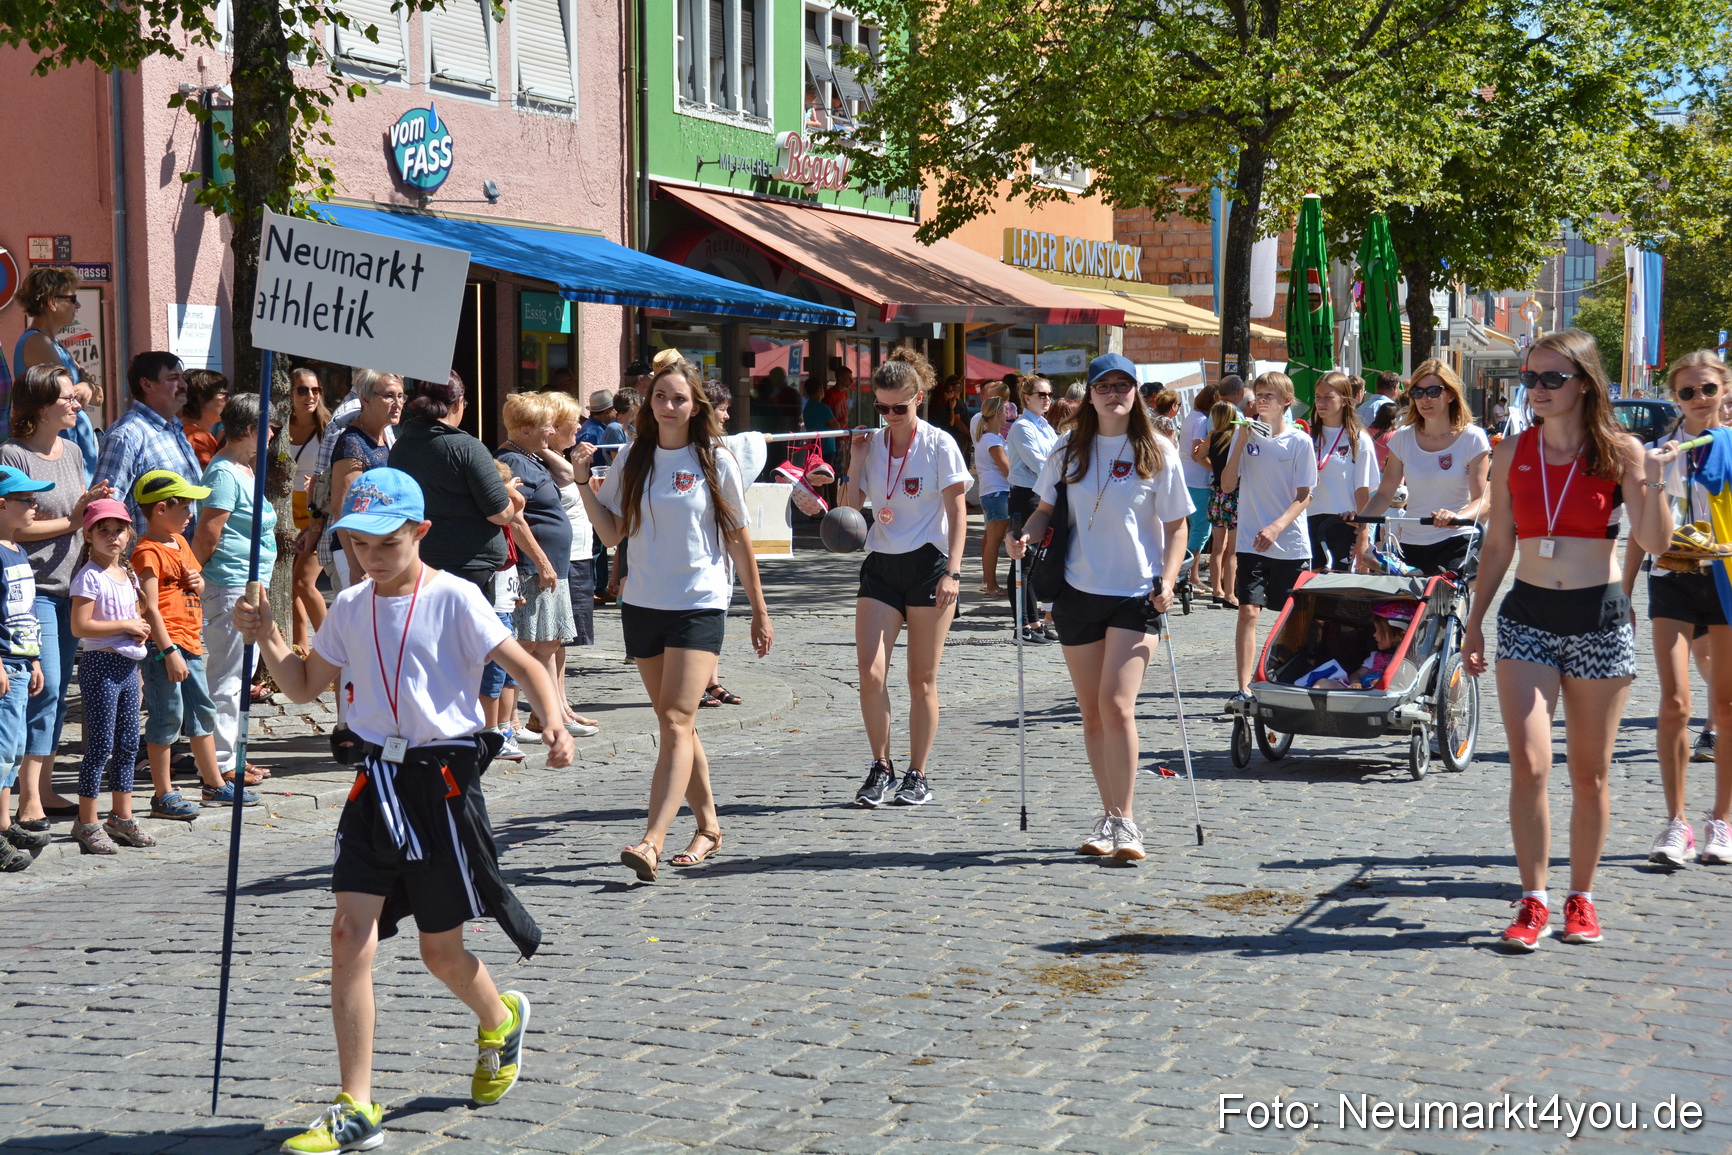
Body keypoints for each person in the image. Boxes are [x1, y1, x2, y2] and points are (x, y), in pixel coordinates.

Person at [235, 468, 574, 1152]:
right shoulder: (349, 606)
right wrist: (268, 633)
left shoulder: (455, 597)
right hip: (374, 784)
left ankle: (500, 1018)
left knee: (440, 952)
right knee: (347, 934)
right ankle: (356, 1105)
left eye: (386, 542)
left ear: (419, 532)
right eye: (358, 543)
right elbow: (301, 686)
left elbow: (526, 665)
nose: (371, 556)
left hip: (439, 786)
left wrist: (555, 722)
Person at [1463, 329, 1675, 952]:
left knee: (1590, 773)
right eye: (1530, 378)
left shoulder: (1620, 450)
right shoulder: (1511, 451)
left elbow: (1657, 543)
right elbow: (1498, 544)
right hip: (1527, 614)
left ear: (1584, 382)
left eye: (1552, 378)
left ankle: (1581, 896)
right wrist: (1475, 621)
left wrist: (1654, 481)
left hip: (1598, 618)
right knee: (1529, 764)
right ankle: (1533, 898)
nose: (1537, 389)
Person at [575, 357, 772, 880]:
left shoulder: (715, 459)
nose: (667, 406)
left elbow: (738, 538)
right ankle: (709, 827)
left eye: (678, 398)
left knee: (677, 720)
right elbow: (612, 533)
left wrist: (758, 608)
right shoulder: (633, 457)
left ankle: (651, 840)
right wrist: (582, 484)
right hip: (643, 603)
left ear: (695, 406)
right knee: (677, 724)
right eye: (660, 397)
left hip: (699, 602)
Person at [1007, 353, 1192, 859]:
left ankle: (1127, 822)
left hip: (1137, 594)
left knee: (1116, 704)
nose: (1113, 394)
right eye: (1103, 386)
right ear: (1089, 394)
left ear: (1136, 393)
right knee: (1091, 713)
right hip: (1077, 592)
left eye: (1122, 385)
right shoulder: (1067, 448)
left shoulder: (1157, 448)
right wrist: (1024, 537)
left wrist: (1170, 579)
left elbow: (1178, 526)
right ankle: (1109, 817)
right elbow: (1045, 510)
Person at [841, 347, 971, 809]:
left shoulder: (939, 444)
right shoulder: (873, 443)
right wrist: (856, 460)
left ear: (918, 398)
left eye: (898, 408)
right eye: (881, 407)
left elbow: (959, 513)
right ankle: (881, 766)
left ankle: (918, 773)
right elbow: (850, 511)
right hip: (881, 564)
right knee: (870, 673)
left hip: (929, 565)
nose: (889, 416)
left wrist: (954, 572)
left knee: (921, 678)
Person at [1620, 351, 1732, 868]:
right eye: (1687, 392)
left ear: (1724, 390)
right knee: (1674, 704)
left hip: (1725, 579)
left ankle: (1721, 820)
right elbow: (1640, 531)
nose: (1699, 399)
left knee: (1726, 708)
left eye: (1707, 388)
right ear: (1674, 398)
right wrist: (1623, 592)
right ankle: (1676, 822)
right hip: (1672, 578)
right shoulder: (1657, 454)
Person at [0, 366, 112, 834]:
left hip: (71, 586)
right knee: (40, 691)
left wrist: (93, 505)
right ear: (42, 406)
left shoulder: (73, 450)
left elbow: (76, 510)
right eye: (67, 398)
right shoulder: (13, 455)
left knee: (59, 691)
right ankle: (27, 800)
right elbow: (17, 527)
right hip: (34, 592)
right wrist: (72, 521)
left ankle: (42, 789)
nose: (77, 403)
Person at [132, 470, 242, 818]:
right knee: (167, 717)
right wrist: (168, 652)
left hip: (190, 642)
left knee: (202, 711)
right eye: (185, 507)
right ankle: (163, 794)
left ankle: (213, 783)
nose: (191, 514)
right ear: (161, 509)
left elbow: (198, 586)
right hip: (166, 647)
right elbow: (149, 607)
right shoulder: (147, 552)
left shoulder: (179, 542)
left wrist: (198, 582)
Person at [192, 393, 278, 790]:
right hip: (229, 587)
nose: (273, 433)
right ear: (250, 429)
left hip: (247, 586)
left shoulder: (243, 468)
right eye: (268, 427)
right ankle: (221, 765)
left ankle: (232, 756)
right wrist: (190, 578)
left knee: (240, 678)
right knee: (227, 680)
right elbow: (208, 534)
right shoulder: (224, 473)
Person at [496, 393, 594, 741]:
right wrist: (541, 561)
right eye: (546, 426)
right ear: (525, 430)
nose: (552, 431)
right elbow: (515, 520)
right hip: (531, 568)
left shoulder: (530, 457)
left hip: (548, 567)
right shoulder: (513, 461)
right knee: (524, 643)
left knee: (548, 642)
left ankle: (549, 715)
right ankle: (511, 721)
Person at [1221, 372, 1316, 701]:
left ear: (1286, 401)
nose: (1261, 400)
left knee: (1293, 620)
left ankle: (1289, 680)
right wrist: (1240, 443)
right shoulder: (1245, 435)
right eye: (1258, 394)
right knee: (1248, 611)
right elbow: (1227, 485)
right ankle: (1243, 687)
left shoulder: (1299, 441)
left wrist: (1276, 526)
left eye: (1269, 395)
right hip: (1251, 541)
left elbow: (1305, 495)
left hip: (1290, 545)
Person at [68, 499, 153, 855]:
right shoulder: (89, 576)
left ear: (129, 533)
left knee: (129, 744)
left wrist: (139, 631)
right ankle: (86, 821)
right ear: (88, 535)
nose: (112, 536)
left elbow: (133, 616)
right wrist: (126, 625)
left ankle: (121, 816)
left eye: (119, 530)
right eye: (103, 530)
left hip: (127, 667)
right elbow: (80, 626)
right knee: (101, 746)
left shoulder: (128, 574)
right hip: (100, 665)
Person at [1353, 360, 1490, 576]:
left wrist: (1456, 518)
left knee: (1444, 596)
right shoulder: (1403, 437)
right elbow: (1384, 494)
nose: (1425, 399)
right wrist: (1361, 519)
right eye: (1417, 392)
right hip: (1411, 542)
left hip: (1456, 540)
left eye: (1433, 391)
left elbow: (1483, 501)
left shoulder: (1472, 437)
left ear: (1450, 395)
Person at [388, 372, 515, 597]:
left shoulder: (401, 446)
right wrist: (513, 498)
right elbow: (500, 513)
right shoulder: (467, 447)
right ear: (458, 403)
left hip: (421, 561)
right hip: (468, 566)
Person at [0, 465, 50, 870]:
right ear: (2, 505)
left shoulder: (17, 550)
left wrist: (33, 659)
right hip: (3, 665)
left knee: (13, 751)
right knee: (1, 751)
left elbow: (25, 613)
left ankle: (3, 822)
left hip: (20, 663)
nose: (35, 506)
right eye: (26, 500)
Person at [94, 352, 202, 531]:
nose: (183, 385)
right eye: (173, 378)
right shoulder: (127, 436)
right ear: (146, 385)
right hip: (147, 549)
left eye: (182, 378)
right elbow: (105, 508)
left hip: (183, 548)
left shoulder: (175, 428)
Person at [329, 373, 404, 590]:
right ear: (365, 399)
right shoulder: (352, 443)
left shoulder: (384, 438)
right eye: (389, 396)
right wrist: (355, 565)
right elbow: (341, 508)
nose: (397, 403)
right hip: (358, 554)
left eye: (401, 396)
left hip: (380, 549)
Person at [1007, 375, 1060, 643]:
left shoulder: (1045, 426)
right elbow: (1041, 464)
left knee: (1034, 563)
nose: (1047, 399)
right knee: (1022, 562)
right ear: (1027, 398)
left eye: (1050, 394)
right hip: (1026, 495)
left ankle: (1035, 622)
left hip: (1042, 494)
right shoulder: (1022, 426)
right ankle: (1022, 625)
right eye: (1042, 394)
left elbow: (1058, 458)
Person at [1308, 372, 1378, 572]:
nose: (1321, 403)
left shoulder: (1358, 439)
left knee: (1336, 584)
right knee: (1309, 586)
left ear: (1345, 400)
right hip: (1308, 520)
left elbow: (1363, 490)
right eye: (1318, 397)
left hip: (1343, 522)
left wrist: (1363, 536)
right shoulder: (1308, 436)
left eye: (1328, 397)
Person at [8, 267, 82, 442]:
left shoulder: (54, 344)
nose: (78, 305)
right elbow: (71, 394)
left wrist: (87, 388)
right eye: (72, 299)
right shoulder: (37, 342)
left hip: (68, 439)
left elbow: (95, 394)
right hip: (52, 443)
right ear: (52, 302)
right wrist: (85, 387)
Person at [287, 368, 330, 649]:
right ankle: (301, 648)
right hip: (286, 513)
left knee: (303, 581)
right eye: (302, 390)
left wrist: (319, 482)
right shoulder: (279, 426)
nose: (310, 396)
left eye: (315, 390)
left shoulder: (327, 427)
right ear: (290, 394)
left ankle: (333, 649)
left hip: (317, 515)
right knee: (292, 586)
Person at [1309, 601, 1413, 689]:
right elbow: (1357, 674)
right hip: (1360, 691)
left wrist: (1383, 683)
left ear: (1397, 635)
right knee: (1323, 682)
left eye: (1379, 631)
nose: (1374, 635)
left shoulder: (1406, 661)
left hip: (1381, 696)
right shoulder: (1376, 656)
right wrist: (1355, 681)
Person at [974, 396, 1013, 596]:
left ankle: (988, 582)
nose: (1008, 414)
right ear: (998, 414)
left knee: (991, 539)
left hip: (992, 492)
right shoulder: (992, 440)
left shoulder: (988, 438)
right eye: (1005, 411)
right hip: (997, 493)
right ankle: (991, 584)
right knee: (994, 541)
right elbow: (1007, 470)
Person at [1204, 400, 1241, 607]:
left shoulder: (1212, 436)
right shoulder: (1236, 437)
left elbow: (1197, 456)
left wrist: (1214, 470)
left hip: (1216, 493)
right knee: (1233, 550)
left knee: (1217, 547)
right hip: (1235, 495)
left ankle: (1216, 590)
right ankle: (1230, 593)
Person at [1181, 384, 1219, 568]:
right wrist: (1218, 471)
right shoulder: (1203, 421)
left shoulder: (1192, 416)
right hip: (1199, 482)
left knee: (1196, 529)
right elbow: (1197, 453)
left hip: (1188, 479)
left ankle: (1192, 576)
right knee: (1201, 531)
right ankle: (1182, 571)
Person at [179, 369, 230, 467]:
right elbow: (207, 476)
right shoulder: (197, 438)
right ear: (201, 397)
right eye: (225, 395)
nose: (229, 400)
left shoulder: (192, 431)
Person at [1367, 401, 1399, 469]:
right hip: (1384, 471)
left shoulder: (1366, 431)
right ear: (1395, 417)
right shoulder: (1396, 435)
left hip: (1368, 468)